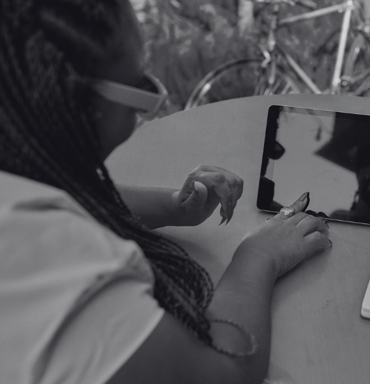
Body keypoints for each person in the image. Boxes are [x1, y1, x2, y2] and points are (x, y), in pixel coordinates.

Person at [0, 1, 331, 384]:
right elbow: (225, 369)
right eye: (139, 87)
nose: (146, 109)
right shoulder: (60, 273)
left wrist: (174, 206)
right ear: (70, 103)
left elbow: (60, 194)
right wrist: (258, 255)